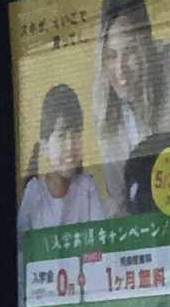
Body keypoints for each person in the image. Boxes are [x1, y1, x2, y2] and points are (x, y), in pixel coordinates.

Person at [89, 0, 170, 218]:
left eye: (130, 52)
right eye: (111, 56)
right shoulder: (103, 93)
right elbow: (116, 198)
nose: (120, 70)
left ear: (146, 46)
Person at [17, 82, 105, 234]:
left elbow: (100, 241)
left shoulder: (87, 188)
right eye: (61, 136)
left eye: (76, 132)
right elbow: (22, 250)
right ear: (45, 146)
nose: (70, 145)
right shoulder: (34, 194)